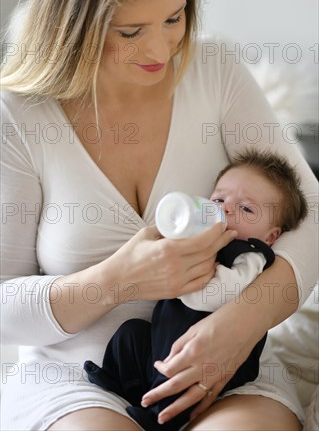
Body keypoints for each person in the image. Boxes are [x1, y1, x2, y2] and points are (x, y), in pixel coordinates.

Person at [0, 0, 317, 431]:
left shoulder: (212, 70)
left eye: (175, 17)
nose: (163, 47)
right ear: (75, 23)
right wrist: (116, 280)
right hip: (79, 375)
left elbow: (312, 214)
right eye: (131, 32)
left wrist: (238, 326)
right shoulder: (19, 114)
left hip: (226, 366)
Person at [84, 148, 308, 431]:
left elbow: (219, 293)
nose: (226, 209)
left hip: (209, 353)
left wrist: (187, 275)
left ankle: (159, 418)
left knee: (182, 370)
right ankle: (116, 380)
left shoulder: (249, 254)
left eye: (246, 208)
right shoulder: (202, 238)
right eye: (219, 199)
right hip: (161, 340)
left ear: (271, 235)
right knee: (130, 333)